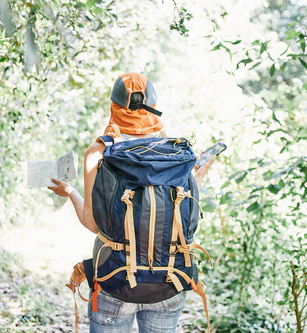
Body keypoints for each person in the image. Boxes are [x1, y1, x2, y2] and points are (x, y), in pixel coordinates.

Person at [48, 72, 215, 332]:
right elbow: (187, 219)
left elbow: (93, 224)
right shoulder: (176, 153)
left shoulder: (99, 152)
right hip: (169, 281)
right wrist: (200, 172)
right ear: (154, 107)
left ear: (114, 107)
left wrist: (71, 192)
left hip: (115, 280)